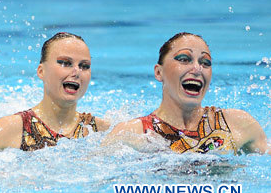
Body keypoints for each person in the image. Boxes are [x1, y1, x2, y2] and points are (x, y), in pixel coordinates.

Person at [102, 32, 269, 154]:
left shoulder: (238, 124)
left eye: (205, 62)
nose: (197, 69)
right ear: (159, 72)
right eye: (184, 59)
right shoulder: (132, 134)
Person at [0, 32, 109, 151]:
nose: (77, 72)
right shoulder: (10, 128)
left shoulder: (99, 130)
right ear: (41, 71)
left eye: (84, 66)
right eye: (65, 63)